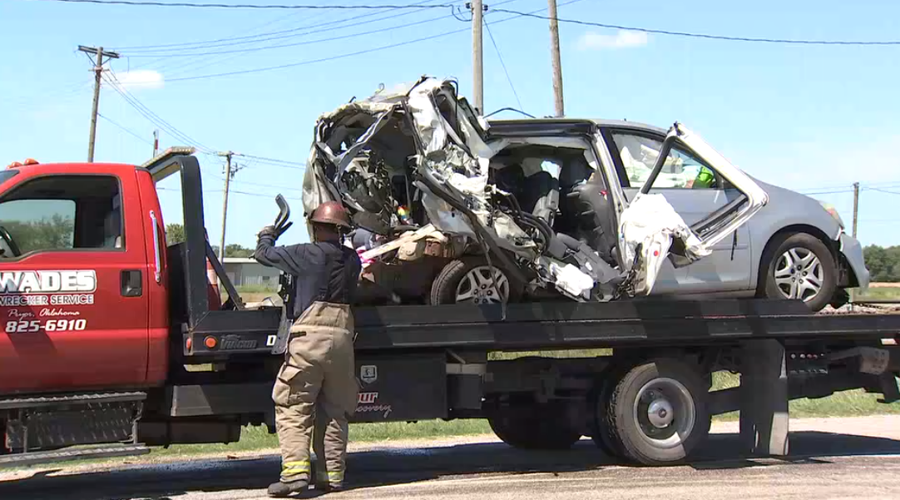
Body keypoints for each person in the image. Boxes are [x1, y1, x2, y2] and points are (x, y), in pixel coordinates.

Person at [254, 200, 362, 498]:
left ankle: (295, 474)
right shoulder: (353, 260)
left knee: (293, 405)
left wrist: (267, 234)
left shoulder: (306, 252)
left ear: (315, 228)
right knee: (334, 411)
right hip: (342, 339)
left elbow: (263, 255)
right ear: (342, 230)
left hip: (309, 337)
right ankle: (332, 478)